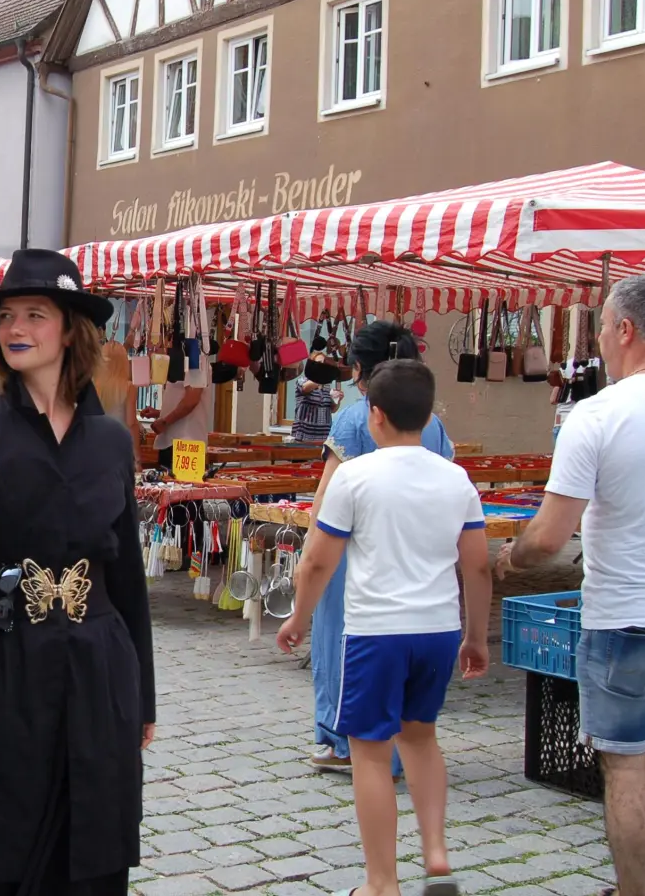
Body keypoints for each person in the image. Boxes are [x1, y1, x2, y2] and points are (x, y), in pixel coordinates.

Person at [0, 249, 155, 896]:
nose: (15, 327)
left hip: (100, 674)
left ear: (70, 329)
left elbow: (126, 575)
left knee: (89, 851)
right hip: (4, 669)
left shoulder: (111, 441)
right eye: (7, 316)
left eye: (35, 314)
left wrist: (143, 698)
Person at [495, 275, 645, 896]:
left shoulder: (597, 415)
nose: (596, 340)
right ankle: (643, 884)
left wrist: (512, 557)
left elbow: (549, 537)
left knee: (623, 760)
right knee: (643, 743)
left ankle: (635, 891)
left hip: (627, 616)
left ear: (625, 330)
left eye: (599, 327)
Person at [277, 359, 492, 896]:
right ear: (429, 416)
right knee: (421, 738)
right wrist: (475, 635)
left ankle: (381, 884)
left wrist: (299, 617)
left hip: (376, 631)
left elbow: (317, 562)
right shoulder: (456, 479)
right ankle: (436, 852)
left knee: (370, 753)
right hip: (437, 630)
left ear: (374, 414)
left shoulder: (355, 477)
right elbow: (478, 567)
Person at [308, 321, 453, 779]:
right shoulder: (432, 423)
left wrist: (310, 556)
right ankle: (403, 749)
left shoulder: (356, 418)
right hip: (418, 556)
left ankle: (346, 741)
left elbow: (326, 497)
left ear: (358, 369)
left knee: (341, 644)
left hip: (355, 554)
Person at [151, 375, 213, 470]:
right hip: (172, 441)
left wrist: (165, 422)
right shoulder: (180, 369)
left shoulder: (195, 366)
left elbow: (191, 401)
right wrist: (160, 413)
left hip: (186, 443)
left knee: (183, 479)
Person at [293, 357, 341, 444]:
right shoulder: (302, 381)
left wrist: (338, 400)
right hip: (304, 433)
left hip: (323, 434)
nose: (321, 366)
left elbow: (332, 409)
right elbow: (305, 388)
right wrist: (325, 377)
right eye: (319, 363)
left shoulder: (326, 386)